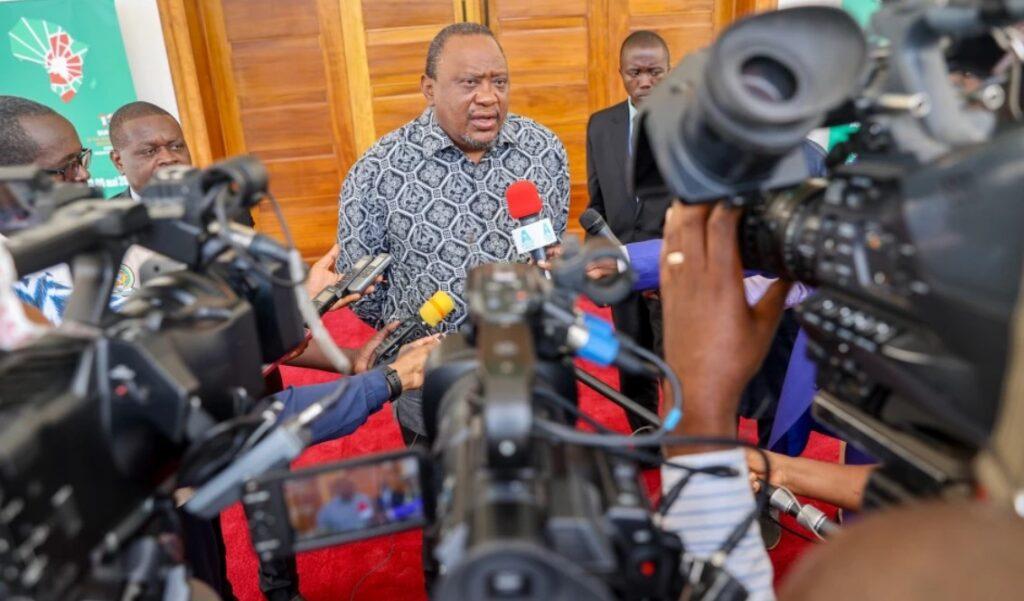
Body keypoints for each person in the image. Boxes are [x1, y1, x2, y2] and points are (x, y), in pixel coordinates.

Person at [336, 22, 570, 445]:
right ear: (429, 88)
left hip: (529, 368)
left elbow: (548, 245)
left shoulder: (544, 151)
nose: (488, 97)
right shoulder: (377, 172)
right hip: (432, 380)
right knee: (448, 499)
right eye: (469, 83)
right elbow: (361, 287)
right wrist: (412, 330)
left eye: (498, 81)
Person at [584, 31, 670, 434]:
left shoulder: (691, 127)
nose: (646, 81)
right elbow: (596, 205)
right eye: (636, 72)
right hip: (620, 266)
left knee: (674, 362)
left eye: (656, 72)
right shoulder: (601, 126)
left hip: (673, 269)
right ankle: (646, 436)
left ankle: (682, 443)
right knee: (631, 359)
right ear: (621, 73)